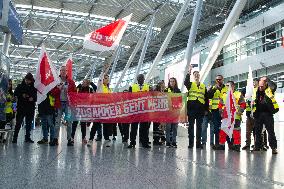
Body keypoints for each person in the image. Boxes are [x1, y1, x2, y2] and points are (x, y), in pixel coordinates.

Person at [214, 81, 246, 152]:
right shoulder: (224, 95)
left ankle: (237, 145)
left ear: (233, 86)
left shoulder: (238, 94)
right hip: (226, 117)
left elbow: (243, 104)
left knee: (236, 130)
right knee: (223, 130)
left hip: (236, 116)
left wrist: (240, 111)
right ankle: (221, 145)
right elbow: (220, 105)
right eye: (227, 86)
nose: (227, 87)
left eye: (229, 86)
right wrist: (221, 113)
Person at [51, 66, 76, 146]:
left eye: (65, 71)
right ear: (60, 72)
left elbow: (75, 93)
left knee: (69, 122)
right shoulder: (56, 81)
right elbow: (52, 93)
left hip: (68, 105)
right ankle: (55, 139)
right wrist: (58, 89)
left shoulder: (71, 82)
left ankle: (69, 139)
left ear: (67, 72)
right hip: (59, 104)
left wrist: (68, 92)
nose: (63, 72)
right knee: (57, 122)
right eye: (62, 71)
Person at [252, 79, 279, 154]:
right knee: (257, 131)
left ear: (266, 84)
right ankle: (257, 146)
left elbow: (274, 85)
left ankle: (274, 148)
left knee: (270, 131)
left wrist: (267, 79)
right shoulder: (255, 90)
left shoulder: (270, 90)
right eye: (259, 86)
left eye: (262, 86)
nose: (260, 88)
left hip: (268, 114)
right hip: (258, 114)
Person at [184, 66, 208, 149]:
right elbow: (185, 82)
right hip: (191, 109)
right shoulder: (190, 84)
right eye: (195, 75)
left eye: (198, 75)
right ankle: (191, 144)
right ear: (193, 77)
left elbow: (206, 99)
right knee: (191, 127)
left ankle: (198, 144)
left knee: (199, 128)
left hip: (200, 110)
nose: (197, 76)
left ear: (199, 76)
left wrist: (206, 109)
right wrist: (189, 72)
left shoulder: (203, 86)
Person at [12, 73, 37, 143]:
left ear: (31, 80)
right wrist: (22, 95)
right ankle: (15, 137)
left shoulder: (34, 87)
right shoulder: (20, 86)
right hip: (21, 107)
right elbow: (15, 94)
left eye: (29, 80)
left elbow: (36, 97)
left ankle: (27, 138)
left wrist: (33, 98)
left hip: (30, 108)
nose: (27, 81)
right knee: (18, 123)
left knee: (29, 123)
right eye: (26, 79)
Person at [128, 74, 151, 148]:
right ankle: (132, 142)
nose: (141, 79)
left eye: (142, 78)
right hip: (135, 110)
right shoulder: (132, 87)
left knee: (144, 128)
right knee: (134, 127)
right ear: (137, 79)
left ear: (144, 79)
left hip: (144, 110)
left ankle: (144, 142)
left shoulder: (148, 87)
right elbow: (129, 98)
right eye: (139, 78)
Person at [71, 79, 95, 144]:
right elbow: (73, 92)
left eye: (85, 82)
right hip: (77, 107)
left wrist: (92, 83)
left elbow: (94, 93)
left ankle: (83, 137)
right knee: (75, 122)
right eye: (83, 82)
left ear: (87, 83)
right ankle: (72, 137)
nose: (83, 83)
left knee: (83, 123)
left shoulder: (90, 89)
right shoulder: (79, 88)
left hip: (85, 108)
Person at [207, 74, 227, 148]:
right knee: (216, 128)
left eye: (220, 79)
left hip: (225, 110)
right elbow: (208, 96)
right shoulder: (213, 88)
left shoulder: (226, 88)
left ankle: (224, 144)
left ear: (222, 80)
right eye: (217, 79)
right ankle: (217, 143)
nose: (218, 81)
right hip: (215, 110)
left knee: (225, 127)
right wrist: (213, 89)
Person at [242, 79, 258, 150]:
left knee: (256, 130)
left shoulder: (259, 91)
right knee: (248, 131)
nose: (253, 84)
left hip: (256, 115)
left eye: (255, 83)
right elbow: (242, 93)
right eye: (253, 82)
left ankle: (256, 144)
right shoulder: (248, 90)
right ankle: (247, 144)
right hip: (248, 114)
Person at [165, 77, 181, 148]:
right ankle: (168, 142)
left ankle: (174, 142)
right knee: (168, 128)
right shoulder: (166, 90)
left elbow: (180, 101)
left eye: (173, 81)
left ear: (175, 82)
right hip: (168, 112)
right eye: (170, 81)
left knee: (175, 127)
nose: (172, 82)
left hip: (175, 112)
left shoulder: (178, 90)